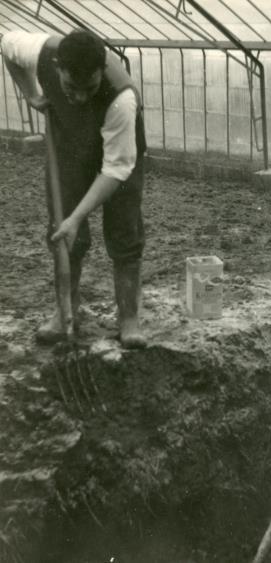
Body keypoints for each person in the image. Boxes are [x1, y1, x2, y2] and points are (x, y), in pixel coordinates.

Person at [1, 29, 147, 348]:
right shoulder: (39, 50)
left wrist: (78, 216)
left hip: (119, 151)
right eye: (70, 86)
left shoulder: (121, 97)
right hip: (70, 142)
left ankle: (129, 319)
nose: (80, 96)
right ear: (57, 67)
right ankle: (65, 313)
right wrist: (30, 94)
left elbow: (115, 169)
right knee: (63, 231)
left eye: (90, 88)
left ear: (100, 73)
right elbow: (6, 47)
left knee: (124, 229)